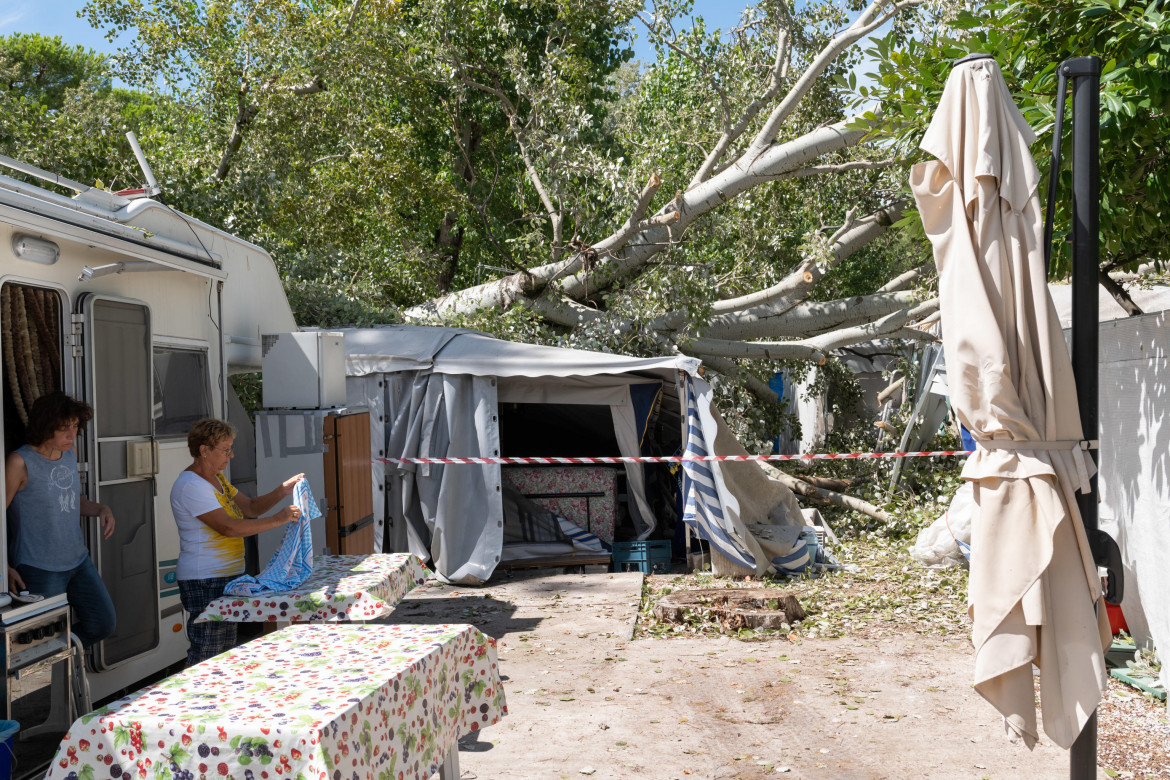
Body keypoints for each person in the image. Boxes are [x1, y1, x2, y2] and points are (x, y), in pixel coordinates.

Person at [170, 417, 302, 665]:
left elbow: (251, 508)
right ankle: (193, 700)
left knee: (224, 653)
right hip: (204, 580)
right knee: (207, 654)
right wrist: (279, 519)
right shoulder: (191, 485)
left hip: (226, 577)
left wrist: (282, 490)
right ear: (204, 450)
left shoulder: (217, 480)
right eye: (225, 450)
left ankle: (214, 701)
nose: (230, 456)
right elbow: (228, 527)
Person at [5, 392, 117, 648]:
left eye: (76, 426)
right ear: (45, 427)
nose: (72, 435)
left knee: (102, 623)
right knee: (40, 641)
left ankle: (64, 658)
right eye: (64, 429)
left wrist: (101, 508)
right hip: (38, 567)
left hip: (78, 560)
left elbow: (72, 501)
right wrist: (4, 567)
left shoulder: (69, 453)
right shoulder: (19, 462)